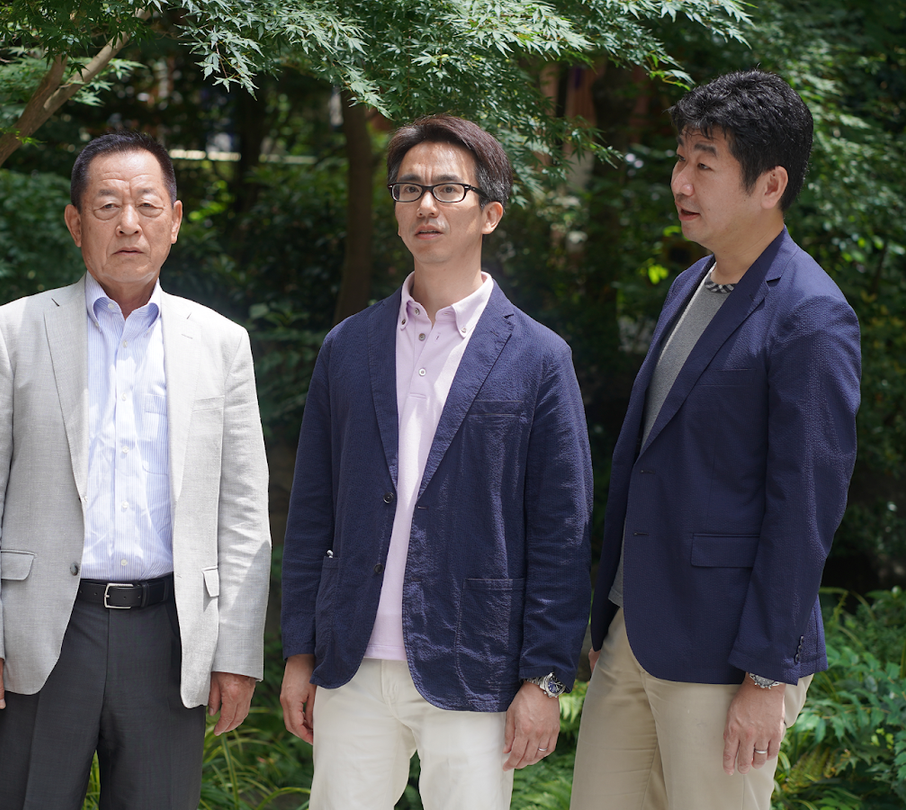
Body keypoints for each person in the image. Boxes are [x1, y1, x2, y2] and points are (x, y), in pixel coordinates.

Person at [0, 130, 270, 809]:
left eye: (148, 205)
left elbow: (243, 511)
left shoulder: (221, 343)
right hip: (44, 633)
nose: (129, 223)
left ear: (174, 221)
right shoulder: (14, 330)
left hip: (168, 634)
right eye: (107, 206)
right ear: (75, 223)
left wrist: (237, 653)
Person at [279, 114, 593, 810]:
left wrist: (545, 678)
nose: (426, 204)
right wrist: (300, 651)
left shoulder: (540, 358)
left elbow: (561, 533)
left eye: (449, 189)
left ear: (491, 213)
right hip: (352, 660)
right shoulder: (348, 346)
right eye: (409, 188)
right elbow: (311, 511)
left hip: (475, 660)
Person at [570, 70, 861, 810]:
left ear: (771, 185)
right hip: (635, 630)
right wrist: (611, 615)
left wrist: (767, 674)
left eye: (705, 164)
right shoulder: (689, 285)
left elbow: (804, 509)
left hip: (727, 654)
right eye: (680, 159)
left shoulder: (811, 316)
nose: (681, 181)